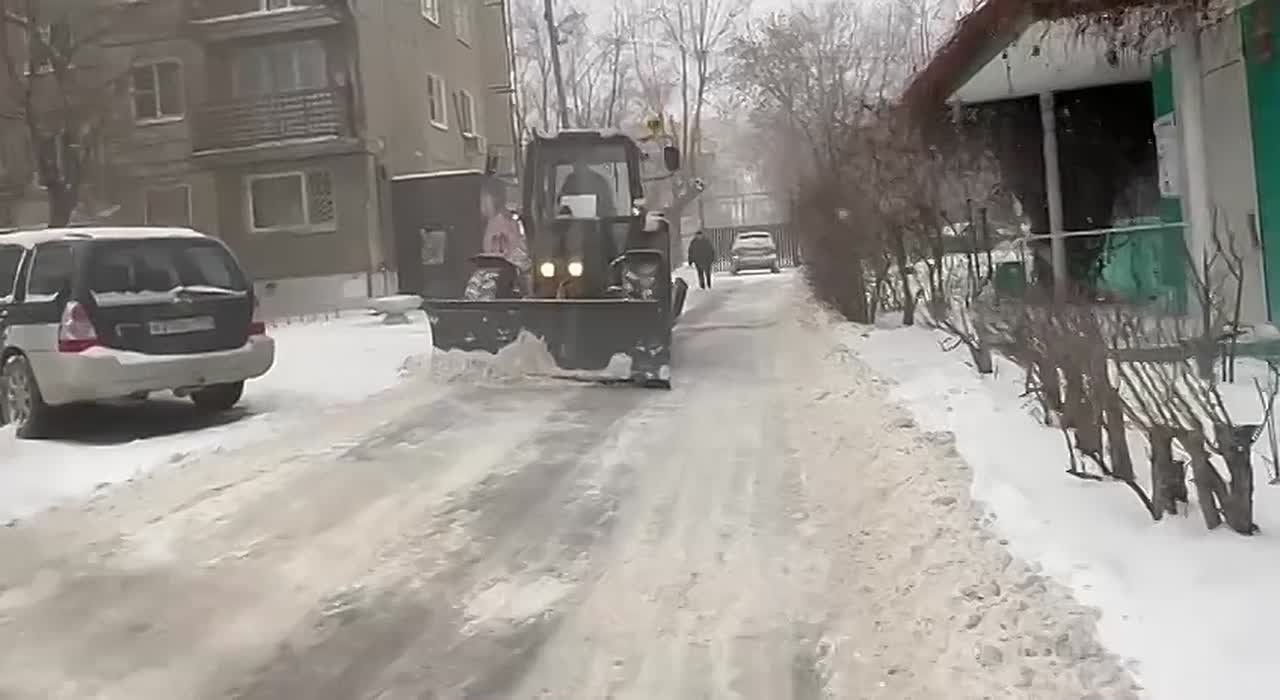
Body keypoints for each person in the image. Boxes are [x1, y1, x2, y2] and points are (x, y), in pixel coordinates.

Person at [480, 180, 530, 294]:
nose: (482, 205)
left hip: (507, 270)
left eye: (484, 200)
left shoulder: (503, 223)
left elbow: (516, 249)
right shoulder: (494, 222)